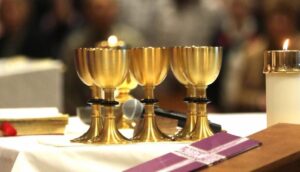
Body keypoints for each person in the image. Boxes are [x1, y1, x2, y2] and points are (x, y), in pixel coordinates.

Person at [60, 0, 145, 115]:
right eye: (97, 8)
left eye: (107, 7)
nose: (102, 13)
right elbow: (69, 90)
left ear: (115, 9)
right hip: (88, 114)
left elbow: (141, 86)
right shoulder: (75, 45)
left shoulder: (132, 41)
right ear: (87, 11)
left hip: (128, 113)